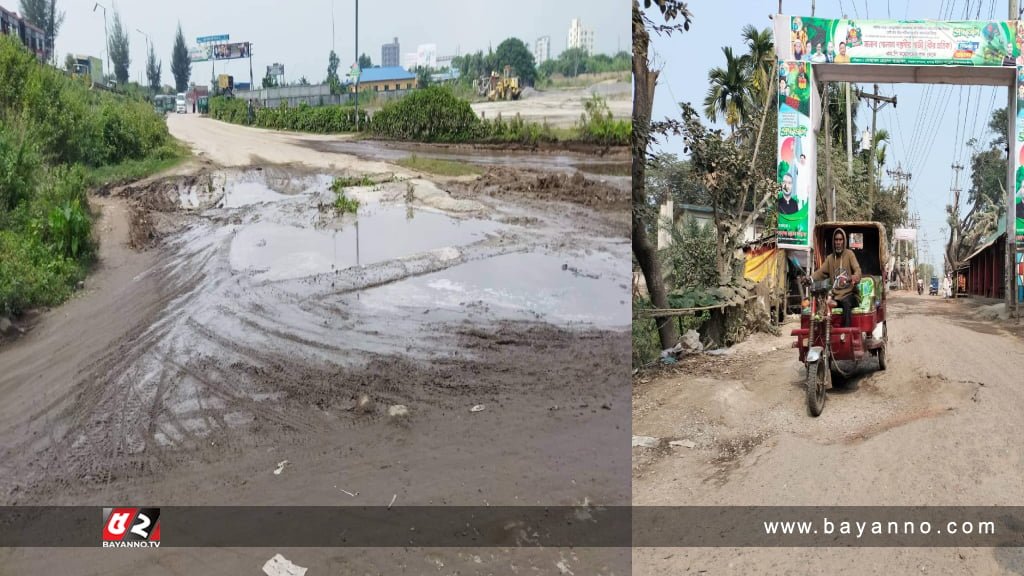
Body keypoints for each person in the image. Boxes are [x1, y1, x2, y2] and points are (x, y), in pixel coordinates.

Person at [807, 228, 862, 327]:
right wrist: (810, 278)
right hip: (836, 296)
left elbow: (858, 271)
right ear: (833, 241)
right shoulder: (830, 258)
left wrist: (850, 278)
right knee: (822, 303)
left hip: (850, 295)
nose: (838, 242)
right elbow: (820, 272)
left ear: (844, 241)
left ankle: (845, 334)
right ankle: (824, 334)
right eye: (836, 240)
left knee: (846, 303)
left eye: (840, 240)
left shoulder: (850, 254)